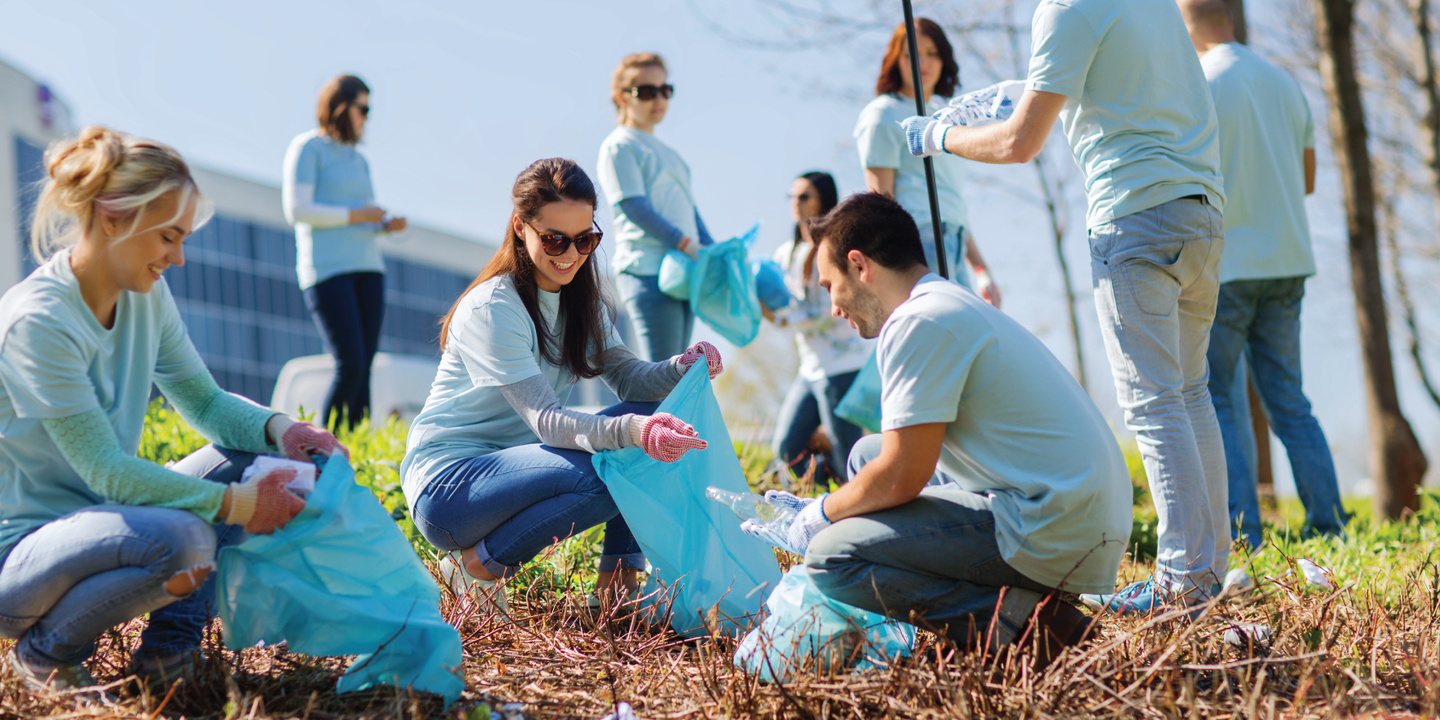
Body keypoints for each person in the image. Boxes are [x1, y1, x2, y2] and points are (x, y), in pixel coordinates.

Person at [906, 0, 1230, 613]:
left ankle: (1183, 586)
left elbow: (1020, 142)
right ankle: (1207, 574)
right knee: (1189, 393)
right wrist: (1023, 88)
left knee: (1156, 403)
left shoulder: (1064, 8)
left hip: (1134, 218)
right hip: (1201, 211)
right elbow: (1118, 83)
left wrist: (937, 136)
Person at [0, 127, 348, 693]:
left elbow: (205, 402)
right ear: (112, 216)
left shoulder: (146, 294)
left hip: (107, 518)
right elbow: (106, 471)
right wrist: (237, 505)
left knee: (279, 463)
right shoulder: (39, 322)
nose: (179, 257)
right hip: (20, 556)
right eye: (168, 236)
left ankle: (168, 661)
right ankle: (44, 654)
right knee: (186, 538)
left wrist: (283, 431)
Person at [744, 193, 1131, 663]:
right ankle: (1012, 606)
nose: (833, 308)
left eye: (830, 286)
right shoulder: (944, 303)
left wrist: (822, 513)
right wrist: (842, 507)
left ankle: (1028, 624)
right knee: (866, 455)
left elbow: (901, 476)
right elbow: (890, 464)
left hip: (1054, 526)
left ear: (859, 265)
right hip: (1070, 510)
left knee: (832, 557)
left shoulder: (918, 322)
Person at [401, 158, 723, 613]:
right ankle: (478, 564)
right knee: (617, 468)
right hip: (450, 490)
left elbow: (632, 379)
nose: (570, 254)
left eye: (585, 239)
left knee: (651, 422)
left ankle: (617, 589)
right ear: (521, 227)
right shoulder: (494, 308)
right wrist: (634, 434)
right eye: (553, 239)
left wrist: (680, 367)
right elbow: (547, 422)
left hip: (517, 472)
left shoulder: (582, 303)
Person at [1179, 0, 1346, 551]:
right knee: (1290, 402)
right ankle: (1330, 526)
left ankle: (1246, 536)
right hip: (1288, 262)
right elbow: (1306, 180)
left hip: (1228, 265)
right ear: (1229, 18)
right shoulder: (1284, 82)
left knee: (1221, 400)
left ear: (1187, 25)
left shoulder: (1198, 83)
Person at [282, 74, 407, 431]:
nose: (366, 117)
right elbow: (298, 210)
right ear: (340, 107)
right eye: (362, 108)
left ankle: (356, 451)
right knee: (349, 364)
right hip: (327, 270)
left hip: (368, 267)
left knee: (364, 365)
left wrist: (383, 223)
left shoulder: (358, 160)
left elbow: (365, 214)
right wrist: (358, 215)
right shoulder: (308, 148)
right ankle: (325, 449)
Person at [854, 18, 999, 302]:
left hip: (954, 241)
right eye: (911, 54)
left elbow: (951, 204)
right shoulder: (883, 114)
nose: (924, 62)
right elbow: (881, 204)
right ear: (895, 60)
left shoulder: (947, 119)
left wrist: (981, 268)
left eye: (932, 53)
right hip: (917, 241)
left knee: (965, 337)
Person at [597, 52, 716, 362]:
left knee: (676, 376)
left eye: (665, 90)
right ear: (622, 97)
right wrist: (686, 243)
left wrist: (712, 250)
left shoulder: (672, 154)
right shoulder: (620, 145)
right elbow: (633, 206)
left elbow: (690, 211)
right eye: (647, 91)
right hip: (647, 271)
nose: (659, 98)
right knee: (661, 377)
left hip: (684, 270)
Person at [767, 172, 871, 485]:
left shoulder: (835, 248)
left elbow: (833, 308)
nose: (795, 204)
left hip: (841, 365)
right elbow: (783, 301)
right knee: (786, 448)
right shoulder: (785, 252)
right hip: (809, 368)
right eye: (792, 196)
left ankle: (862, 511)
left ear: (822, 201)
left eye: (804, 197)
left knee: (848, 454)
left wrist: (784, 319)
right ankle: (827, 502)